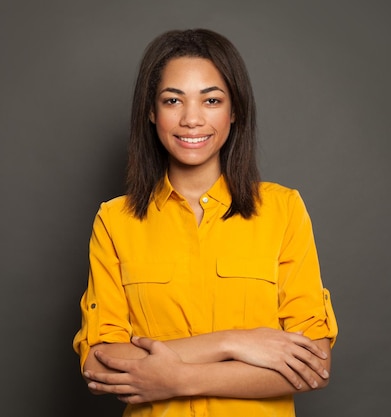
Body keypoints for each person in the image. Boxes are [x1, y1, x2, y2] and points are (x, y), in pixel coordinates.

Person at [72, 28, 338, 417]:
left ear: (234, 111)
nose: (191, 119)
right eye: (172, 100)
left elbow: (315, 364)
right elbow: (97, 365)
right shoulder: (115, 221)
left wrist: (179, 379)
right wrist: (232, 343)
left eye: (211, 100)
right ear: (151, 111)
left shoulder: (283, 211)